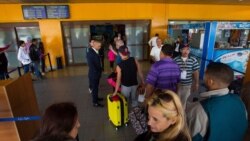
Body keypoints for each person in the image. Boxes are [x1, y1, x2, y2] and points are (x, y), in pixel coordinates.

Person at [186, 62, 248, 141]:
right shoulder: (239, 102)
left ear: (210, 81)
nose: (204, 77)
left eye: (205, 74)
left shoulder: (200, 109)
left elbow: (191, 137)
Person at [173, 44, 199, 109]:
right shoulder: (175, 60)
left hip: (187, 85)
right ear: (180, 50)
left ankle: (182, 115)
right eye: (184, 49)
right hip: (177, 85)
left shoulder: (193, 60)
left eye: (187, 49)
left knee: (184, 101)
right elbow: (172, 72)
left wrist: (196, 83)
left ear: (189, 51)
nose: (186, 51)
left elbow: (196, 72)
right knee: (176, 101)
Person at [87, 37, 104, 107]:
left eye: (100, 46)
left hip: (96, 73)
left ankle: (96, 98)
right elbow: (92, 65)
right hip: (94, 74)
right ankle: (95, 102)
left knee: (96, 87)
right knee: (94, 88)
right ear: (94, 45)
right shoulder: (90, 53)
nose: (100, 47)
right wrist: (99, 71)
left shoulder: (96, 50)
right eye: (99, 46)